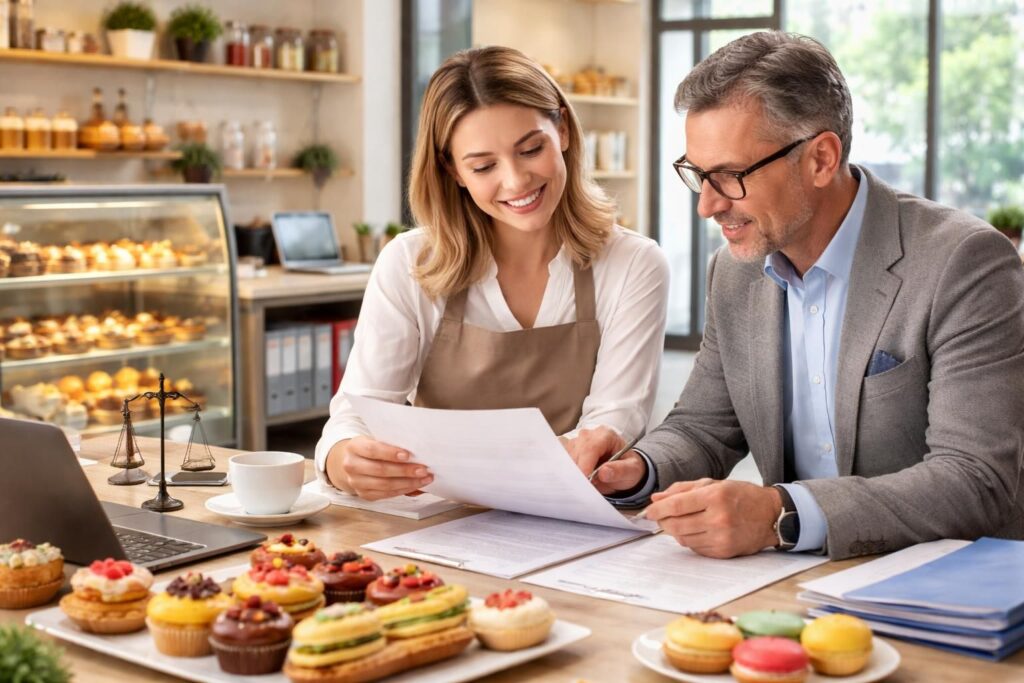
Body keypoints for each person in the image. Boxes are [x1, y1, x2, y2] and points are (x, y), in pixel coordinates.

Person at [574, 31, 1024, 560]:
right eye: (699, 175)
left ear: (821, 158)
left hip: (948, 585)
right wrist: (636, 470)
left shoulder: (964, 262)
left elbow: (974, 480)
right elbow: (704, 426)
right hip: (798, 582)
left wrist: (778, 514)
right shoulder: (734, 272)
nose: (708, 206)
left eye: (730, 176)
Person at [315, 46, 669, 501]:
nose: (517, 181)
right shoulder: (409, 263)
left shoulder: (633, 264)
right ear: (452, 170)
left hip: (571, 509)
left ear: (561, 129)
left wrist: (594, 446)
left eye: (531, 149)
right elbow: (359, 410)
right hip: (436, 520)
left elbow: (617, 415)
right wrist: (343, 459)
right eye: (484, 166)